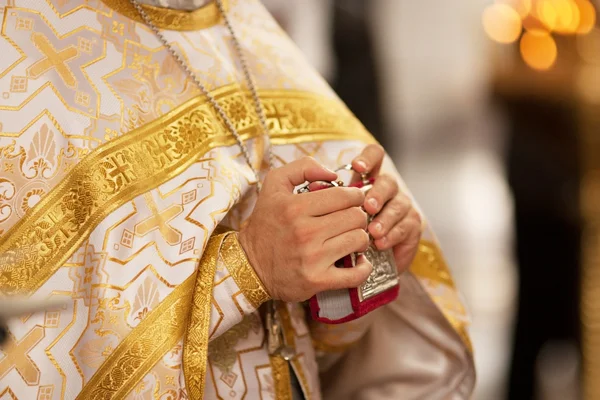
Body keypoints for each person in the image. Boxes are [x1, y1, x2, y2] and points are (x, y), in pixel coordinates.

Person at [0, 0, 475, 398]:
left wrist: (363, 253)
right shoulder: (19, 45)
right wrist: (245, 270)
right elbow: (34, 347)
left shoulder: (235, 18)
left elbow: (297, 343)